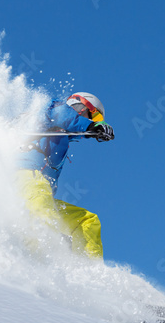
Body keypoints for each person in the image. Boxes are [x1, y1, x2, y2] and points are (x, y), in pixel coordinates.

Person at [18, 92, 115, 259]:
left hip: (39, 193)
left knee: (87, 222)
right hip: (23, 178)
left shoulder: (62, 140)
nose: (92, 121)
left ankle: (88, 271)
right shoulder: (51, 111)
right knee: (43, 209)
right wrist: (92, 128)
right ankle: (38, 259)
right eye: (92, 117)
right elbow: (62, 114)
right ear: (81, 107)